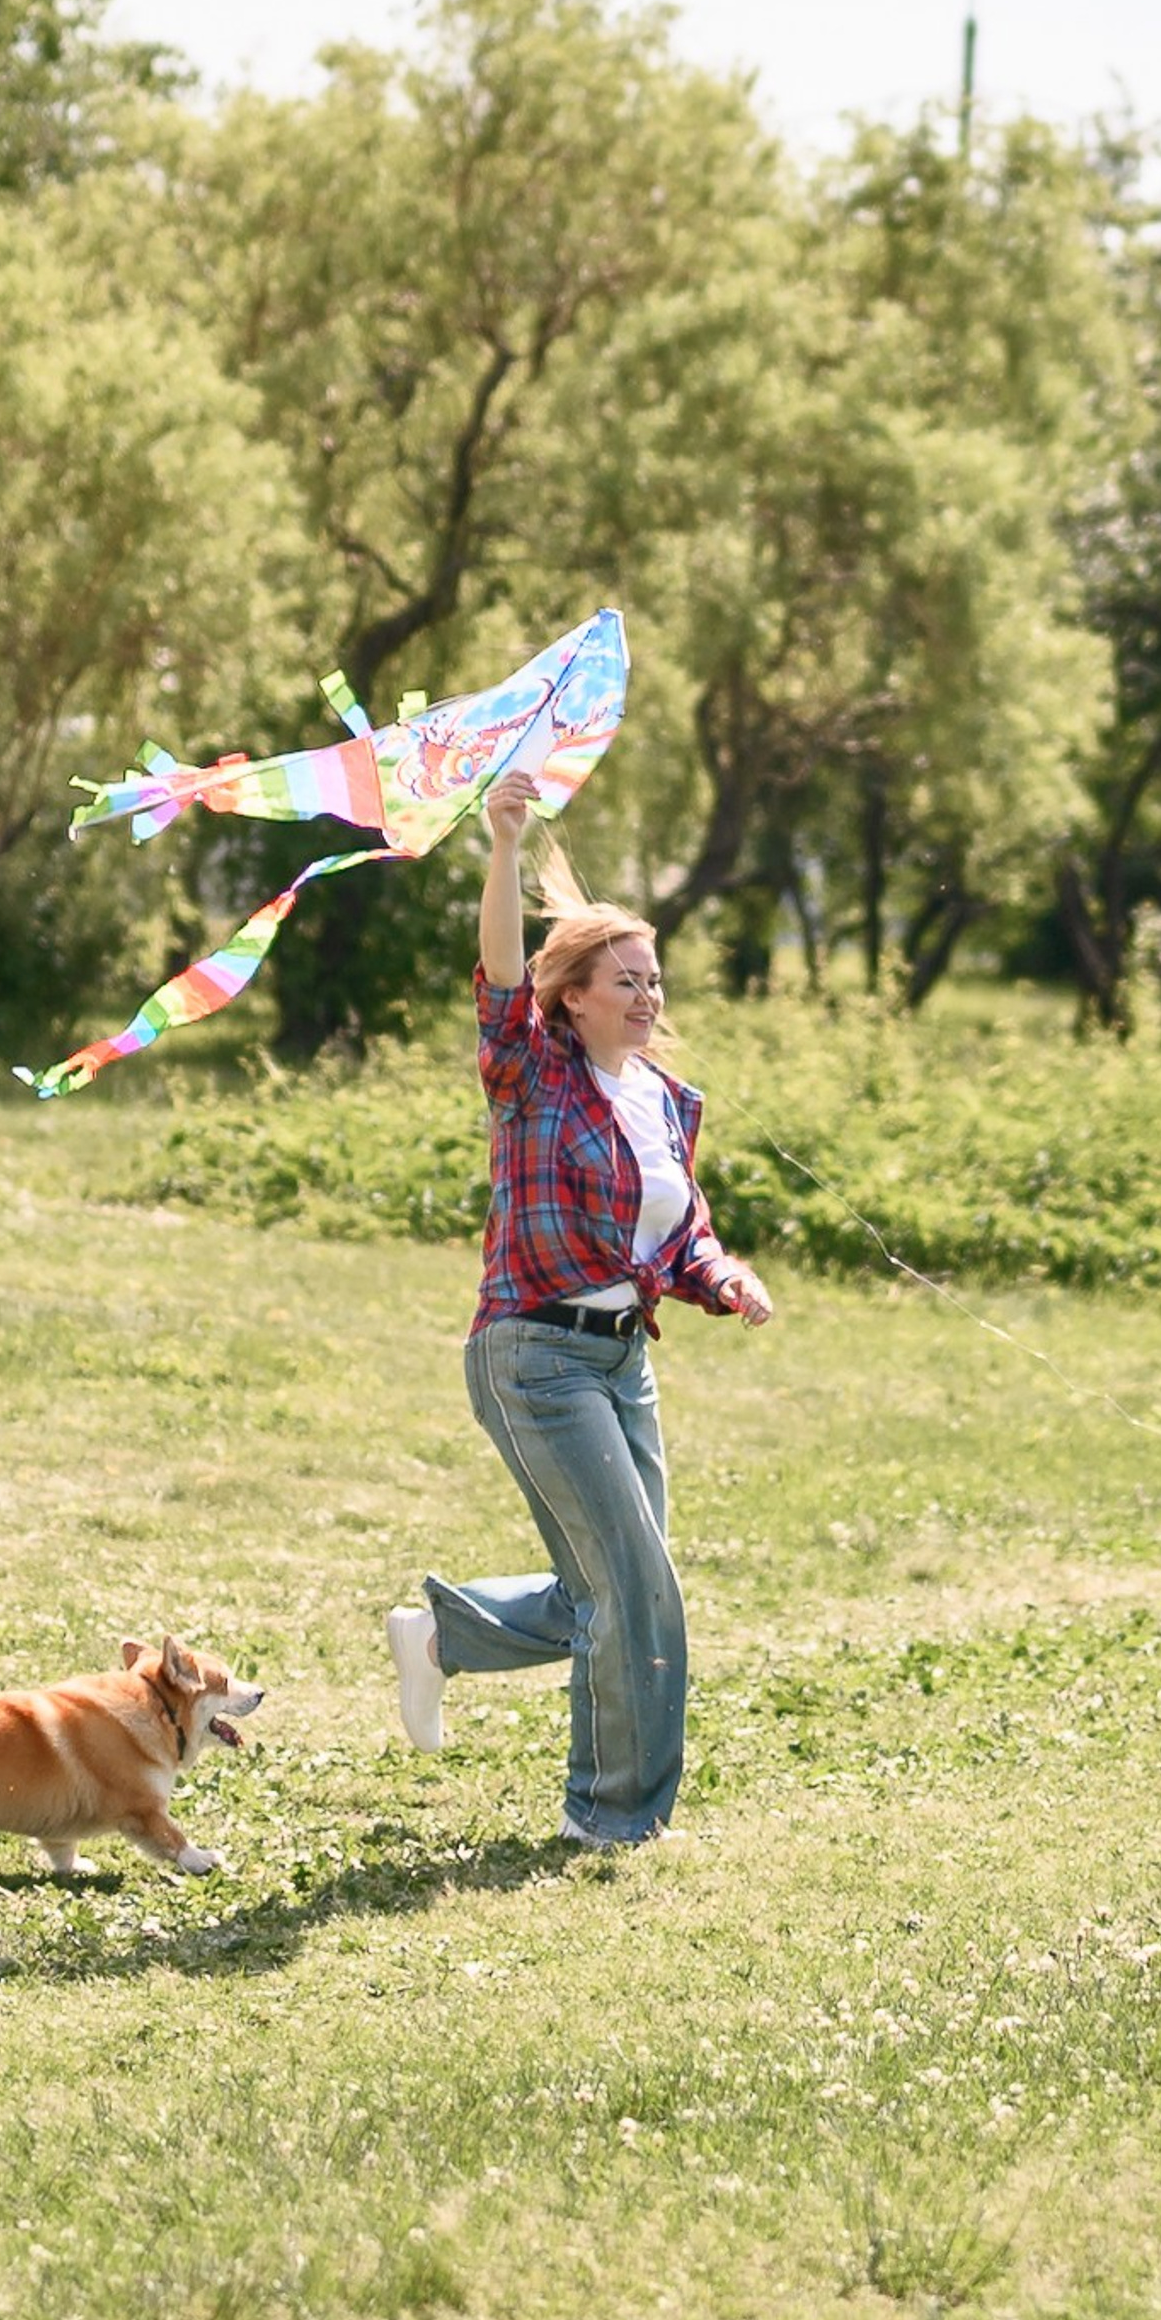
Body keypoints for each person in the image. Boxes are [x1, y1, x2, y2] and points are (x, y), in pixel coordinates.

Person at [386, 773, 772, 1847]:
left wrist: (725, 1274)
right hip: (533, 1355)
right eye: (626, 981)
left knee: (615, 1583)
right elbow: (500, 979)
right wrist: (504, 846)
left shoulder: (664, 1101)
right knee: (637, 1589)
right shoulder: (532, 1073)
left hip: (619, 1361)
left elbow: (679, 1230)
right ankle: (609, 1821)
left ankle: (445, 1634)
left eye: (654, 981)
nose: (649, 998)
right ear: (574, 997)